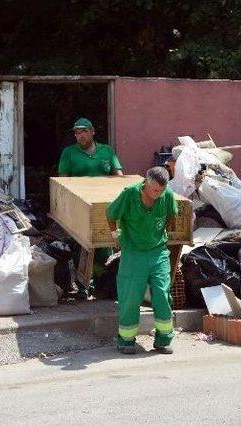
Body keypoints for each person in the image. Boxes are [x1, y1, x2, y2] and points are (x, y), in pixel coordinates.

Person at [106, 167, 178, 355]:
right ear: (145, 182)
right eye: (154, 190)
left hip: (158, 252)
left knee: (162, 294)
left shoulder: (167, 195)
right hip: (133, 253)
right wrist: (116, 236)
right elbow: (111, 214)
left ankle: (163, 339)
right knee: (131, 296)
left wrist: (167, 233)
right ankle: (126, 340)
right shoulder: (130, 194)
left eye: (161, 191)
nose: (157, 194)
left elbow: (172, 214)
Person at [57, 117, 123, 299]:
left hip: (104, 208)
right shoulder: (69, 153)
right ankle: (82, 286)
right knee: (81, 247)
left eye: (84, 131)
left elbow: (119, 177)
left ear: (93, 131)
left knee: (103, 248)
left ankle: (100, 284)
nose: (80, 135)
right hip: (79, 208)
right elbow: (63, 182)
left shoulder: (107, 151)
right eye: (77, 132)